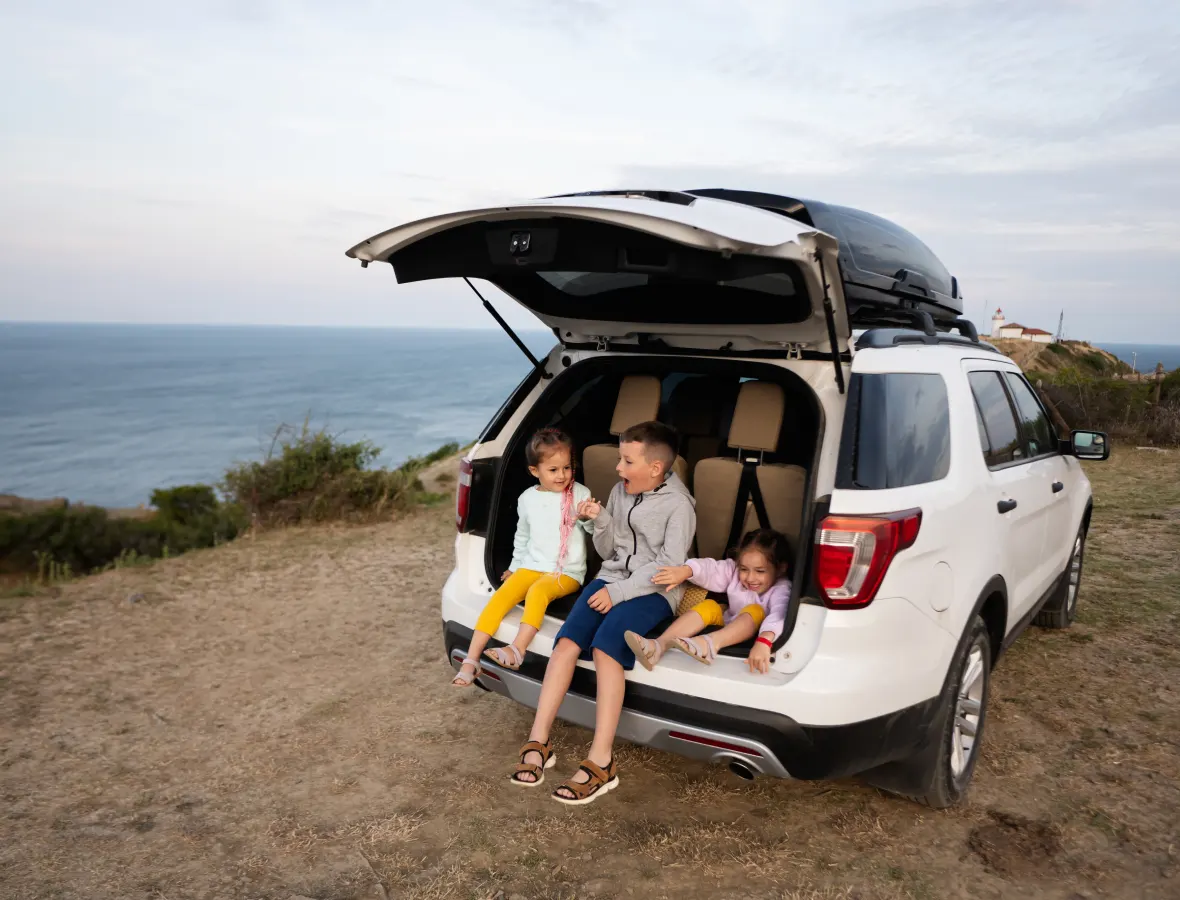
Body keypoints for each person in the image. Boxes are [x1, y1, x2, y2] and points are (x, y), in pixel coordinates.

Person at [508, 421, 696, 804]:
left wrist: (620, 592)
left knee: (606, 649)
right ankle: (539, 740)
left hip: (653, 590)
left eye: (627, 461)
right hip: (610, 579)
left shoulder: (679, 506)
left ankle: (601, 761)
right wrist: (599, 520)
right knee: (566, 645)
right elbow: (609, 551)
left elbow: (667, 568)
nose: (618, 468)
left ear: (655, 468)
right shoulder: (619, 491)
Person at [451, 428, 594, 687]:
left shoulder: (580, 494)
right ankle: (471, 661)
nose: (562, 475)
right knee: (502, 595)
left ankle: (518, 649)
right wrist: (516, 567)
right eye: (553, 470)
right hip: (532, 566)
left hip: (566, 573)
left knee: (537, 592)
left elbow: (592, 532)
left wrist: (589, 517)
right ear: (534, 471)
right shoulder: (527, 499)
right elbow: (523, 536)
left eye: (567, 468)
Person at [624, 528, 792, 675]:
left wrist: (764, 641)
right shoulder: (733, 571)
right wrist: (686, 571)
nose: (750, 577)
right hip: (729, 622)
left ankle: (710, 644)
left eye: (760, 571)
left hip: (754, 631)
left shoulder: (781, 587)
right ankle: (658, 646)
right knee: (710, 606)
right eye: (744, 569)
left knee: (755, 610)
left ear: (780, 569)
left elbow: (780, 613)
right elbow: (712, 569)